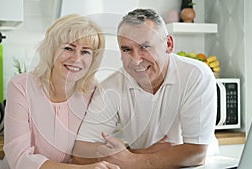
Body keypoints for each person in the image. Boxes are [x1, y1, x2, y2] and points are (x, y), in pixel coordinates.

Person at [72, 8, 217, 168]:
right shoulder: (111, 87)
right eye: (127, 49)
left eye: (145, 47)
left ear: (168, 44)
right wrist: (140, 153)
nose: (136, 60)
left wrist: (131, 160)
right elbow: (81, 152)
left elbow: (196, 153)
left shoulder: (196, 75)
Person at [1, 14, 120, 169]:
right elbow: (20, 158)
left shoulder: (93, 91)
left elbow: (89, 146)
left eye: (85, 52)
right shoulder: (21, 86)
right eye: (68, 48)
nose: (76, 58)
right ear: (51, 50)